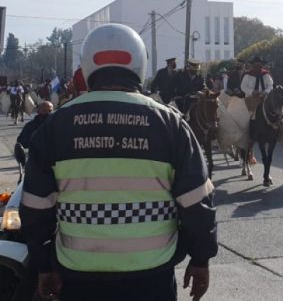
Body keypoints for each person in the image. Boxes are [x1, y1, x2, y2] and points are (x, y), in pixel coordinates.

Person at [20, 24, 217, 301]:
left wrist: (43, 265)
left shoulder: (56, 124)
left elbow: (35, 206)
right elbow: (197, 202)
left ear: (88, 66)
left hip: (78, 275)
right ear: (140, 64)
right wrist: (201, 258)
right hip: (152, 275)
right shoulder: (170, 124)